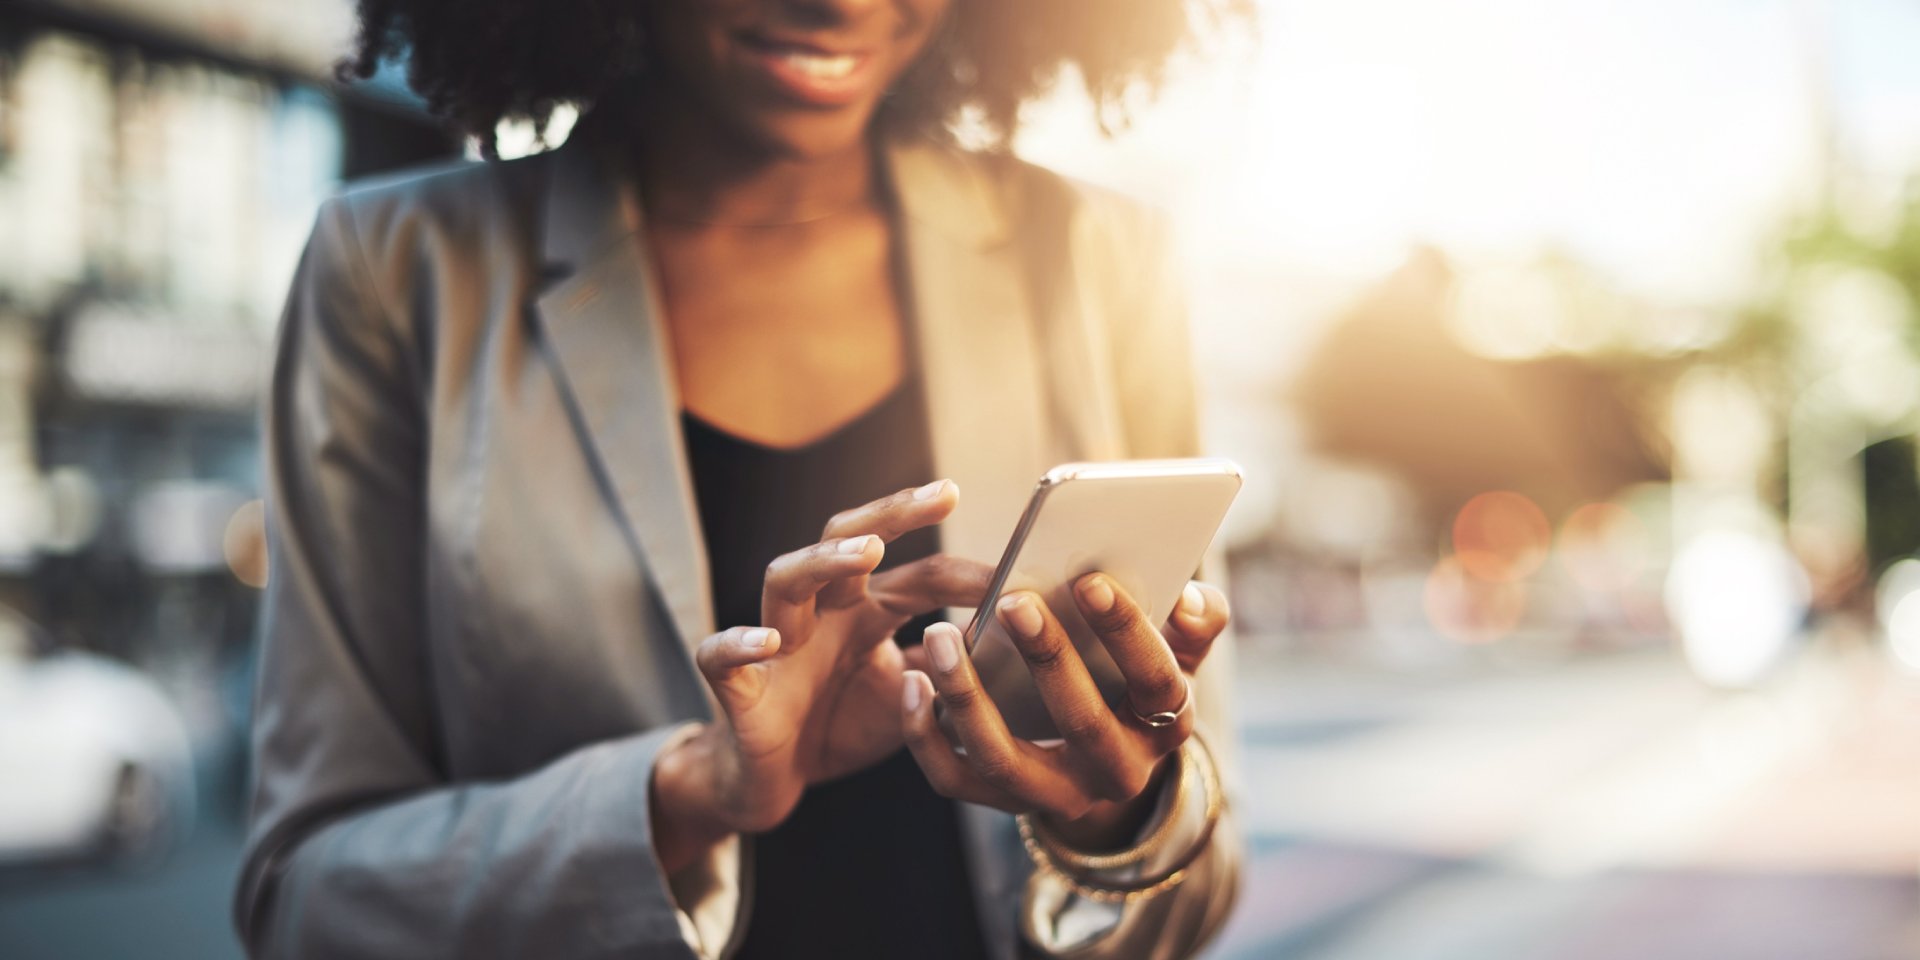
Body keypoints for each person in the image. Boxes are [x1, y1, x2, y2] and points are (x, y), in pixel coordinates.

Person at [234, 1, 1248, 957]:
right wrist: (689, 795)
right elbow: (305, 897)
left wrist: (1114, 819)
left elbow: (1203, 875)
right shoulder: (396, 269)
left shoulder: (1100, 258)